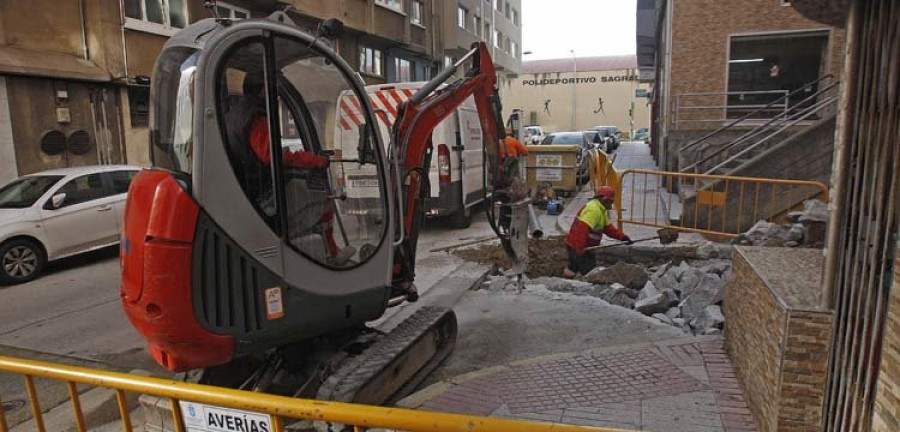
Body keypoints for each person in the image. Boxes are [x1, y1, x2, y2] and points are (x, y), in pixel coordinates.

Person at [226, 72, 353, 264]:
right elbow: (273, 156)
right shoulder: (255, 118)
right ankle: (330, 255)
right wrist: (312, 161)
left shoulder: (236, 113)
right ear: (263, 91)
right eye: (273, 91)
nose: (276, 97)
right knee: (322, 196)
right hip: (263, 193)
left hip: (250, 186)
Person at [563, 186, 631, 278]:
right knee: (590, 273)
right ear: (605, 199)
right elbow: (582, 229)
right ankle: (579, 288)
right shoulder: (593, 210)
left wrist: (622, 237)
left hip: (578, 246)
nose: (611, 204)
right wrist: (580, 249)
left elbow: (608, 228)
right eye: (611, 201)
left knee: (573, 268)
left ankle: (566, 285)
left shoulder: (600, 209)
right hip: (580, 247)